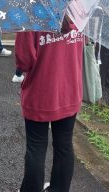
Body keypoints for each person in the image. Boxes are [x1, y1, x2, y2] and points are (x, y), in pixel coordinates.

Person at [15, 17, 83, 192]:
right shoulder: (77, 8)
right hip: (70, 91)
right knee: (64, 144)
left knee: (36, 147)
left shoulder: (32, 10)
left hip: (40, 93)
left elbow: (24, 61)